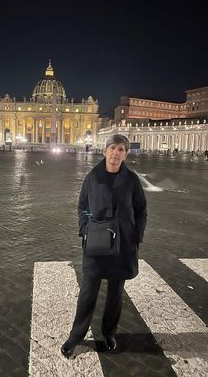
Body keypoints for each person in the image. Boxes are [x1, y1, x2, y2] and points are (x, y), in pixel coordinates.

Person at [61, 134, 147, 358]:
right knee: (88, 292)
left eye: (121, 149)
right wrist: (86, 228)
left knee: (115, 294)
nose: (116, 153)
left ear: (126, 154)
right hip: (97, 243)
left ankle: (109, 333)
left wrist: (136, 236)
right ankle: (76, 336)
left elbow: (141, 210)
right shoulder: (92, 178)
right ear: (105, 151)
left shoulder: (132, 180)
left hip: (122, 244)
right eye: (112, 148)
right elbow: (82, 206)